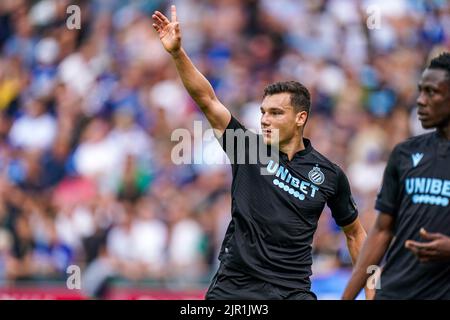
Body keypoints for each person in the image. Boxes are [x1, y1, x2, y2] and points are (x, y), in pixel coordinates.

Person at [152, 5, 369, 300]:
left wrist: (371, 292)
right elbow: (208, 100)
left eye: (276, 112)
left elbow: (355, 233)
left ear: (300, 118)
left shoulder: (329, 175)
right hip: (235, 290)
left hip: (292, 292)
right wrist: (177, 53)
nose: (265, 119)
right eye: (263, 112)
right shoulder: (247, 149)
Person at [342, 52, 450, 300]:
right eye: (420, 91)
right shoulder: (404, 153)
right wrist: (348, 297)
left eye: (432, 92)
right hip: (394, 292)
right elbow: (381, 231)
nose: (420, 101)